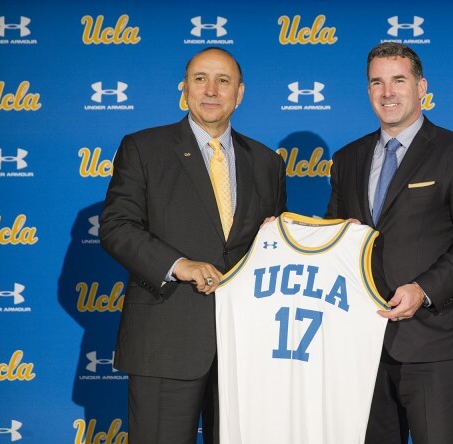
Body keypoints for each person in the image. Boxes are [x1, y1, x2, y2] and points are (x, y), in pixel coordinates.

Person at [100, 47, 287, 444]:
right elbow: (117, 227)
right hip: (167, 341)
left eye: (224, 81)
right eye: (201, 78)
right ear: (184, 89)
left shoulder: (268, 162)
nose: (211, 90)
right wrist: (178, 264)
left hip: (246, 349)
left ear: (240, 93)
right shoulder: (144, 148)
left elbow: (276, 246)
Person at [325, 42, 453, 443]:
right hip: (359, 343)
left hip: (431, 339)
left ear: (421, 87)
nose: (388, 92)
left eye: (398, 80)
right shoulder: (347, 158)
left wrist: (424, 290)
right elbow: (332, 234)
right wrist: (281, 232)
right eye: (377, 82)